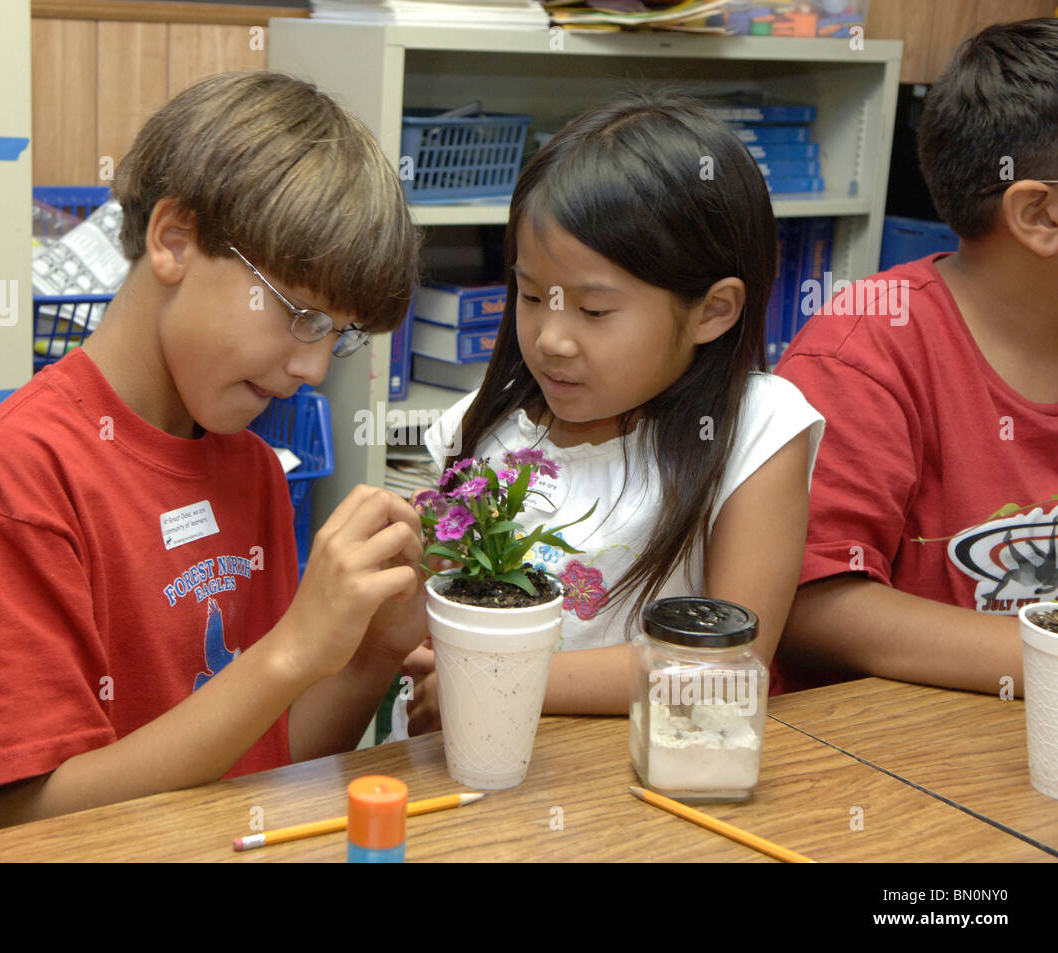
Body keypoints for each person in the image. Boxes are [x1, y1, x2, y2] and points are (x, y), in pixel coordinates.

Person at [0, 70, 426, 860]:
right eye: (301, 314)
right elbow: (41, 823)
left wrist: (369, 652)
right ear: (174, 239)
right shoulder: (13, 477)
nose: (315, 367)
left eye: (338, 335)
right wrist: (291, 652)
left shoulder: (251, 469)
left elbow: (267, 763)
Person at [404, 92, 825, 730]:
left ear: (713, 310)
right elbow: (436, 631)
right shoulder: (475, 431)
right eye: (530, 295)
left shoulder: (756, 430)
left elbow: (729, 668)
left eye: (594, 311)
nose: (551, 338)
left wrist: (495, 678)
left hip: (637, 790)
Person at [774, 18, 1058, 697]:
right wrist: (1043, 662)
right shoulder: (865, 349)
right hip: (900, 757)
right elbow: (810, 604)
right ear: (1040, 216)